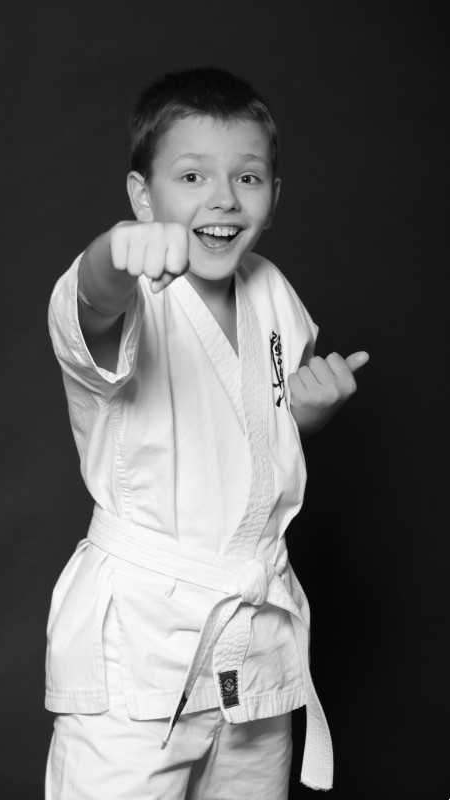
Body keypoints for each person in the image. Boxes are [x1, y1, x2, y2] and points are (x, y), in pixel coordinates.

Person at [44, 66, 369, 800]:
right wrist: (111, 257)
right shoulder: (128, 295)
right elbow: (86, 308)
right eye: (191, 176)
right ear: (141, 195)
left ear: (273, 195)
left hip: (254, 651)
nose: (222, 198)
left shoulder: (271, 291)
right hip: (141, 652)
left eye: (247, 178)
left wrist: (302, 421)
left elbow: (243, 448)